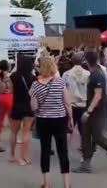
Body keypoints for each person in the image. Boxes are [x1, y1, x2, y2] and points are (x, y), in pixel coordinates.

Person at [73, 51, 107, 174]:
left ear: (86, 60)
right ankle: (86, 164)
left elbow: (98, 95)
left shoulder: (98, 75)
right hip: (90, 109)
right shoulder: (94, 73)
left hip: (96, 111)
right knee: (86, 136)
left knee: (97, 136)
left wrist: (88, 111)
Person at [29, 56, 72, 188]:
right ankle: (66, 184)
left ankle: (47, 184)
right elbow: (67, 103)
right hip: (60, 119)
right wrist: (70, 118)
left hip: (44, 120)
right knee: (62, 151)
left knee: (45, 150)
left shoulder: (35, 85)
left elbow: (34, 106)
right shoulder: (60, 82)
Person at [9, 55, 36, 165]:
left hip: (16, 105)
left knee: (13, 132)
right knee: (26, 133)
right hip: (28, 106)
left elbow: (11, 90)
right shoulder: (33, 78)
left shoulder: (13, 76)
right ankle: (23, 158)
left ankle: (11, 155)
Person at [62, 52, 89, 150]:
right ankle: (84, 149)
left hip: (70, 105)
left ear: (72, 61)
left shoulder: (66, 74)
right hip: (84, 104)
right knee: (83, 130)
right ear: (82, 61)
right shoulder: (88, 74)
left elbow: (62, 89)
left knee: (69, 128)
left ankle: (65, 148)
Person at [0, 60, 13, 141]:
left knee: (0, 118)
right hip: (9, 97)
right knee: (12, 119)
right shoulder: (10, 75)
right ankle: (14, 136)